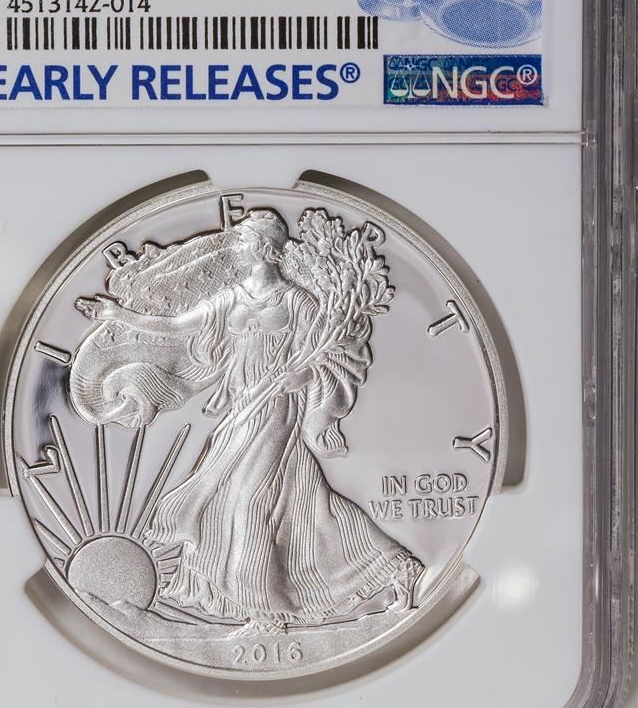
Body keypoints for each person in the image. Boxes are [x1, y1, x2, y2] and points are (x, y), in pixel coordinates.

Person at [72, 209, 423, 632]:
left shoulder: (297, 302)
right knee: (305, 502)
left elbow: (326, 356)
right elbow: (177, 326)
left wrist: (300, 376)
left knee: (247, 501)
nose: (236, 247)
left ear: (264, 248)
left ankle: (266, 611)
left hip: (278, 409)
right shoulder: (231, 299)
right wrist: (118, 316)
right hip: (243, 408)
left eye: (242, 241)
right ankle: (395, 567)